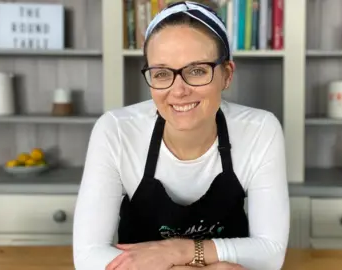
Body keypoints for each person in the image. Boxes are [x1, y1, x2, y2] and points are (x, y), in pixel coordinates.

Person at [72, 1, 290, 269]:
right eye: (162, 73)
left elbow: (270, 253)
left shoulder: (260, 130)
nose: (178, 90)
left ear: (227, 74)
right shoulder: (116, 130)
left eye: (197, 71)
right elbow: (88, 257)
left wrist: (177, 251)